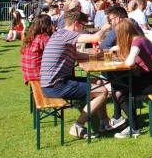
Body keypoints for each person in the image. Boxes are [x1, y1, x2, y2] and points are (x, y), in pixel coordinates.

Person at [40, 9, 113, 138]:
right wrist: (105, 27)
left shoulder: (59, 34)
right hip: (56, 85)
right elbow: (96, 37)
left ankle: (104, 122)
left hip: (51, 82)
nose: (83, 29)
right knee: (102, 92)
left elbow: (77, 55)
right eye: (83, 26)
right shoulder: (68, 34)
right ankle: (78, 126)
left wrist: (93, 54)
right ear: (76, 24)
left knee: (99, 82)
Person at [109, 19, 152, 138]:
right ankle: (119, 119)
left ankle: (134, 127)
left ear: (124, 33)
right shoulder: (140, 39)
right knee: (116, 85)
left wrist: (118, 54)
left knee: (119, 92)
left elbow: (129, 62)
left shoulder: (137, 43)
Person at [21, 14, 54, 84]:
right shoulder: (44, 38)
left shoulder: (30, 37)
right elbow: (54, 55)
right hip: (38, 75)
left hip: (28, 73)